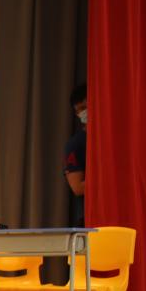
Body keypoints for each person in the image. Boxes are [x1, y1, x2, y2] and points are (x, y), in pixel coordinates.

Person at [63, 83, 88, 227]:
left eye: (84, 107)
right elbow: (77, 187)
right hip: (88, 218)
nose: (82, 114)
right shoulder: (76, 144)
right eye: (78, 110)